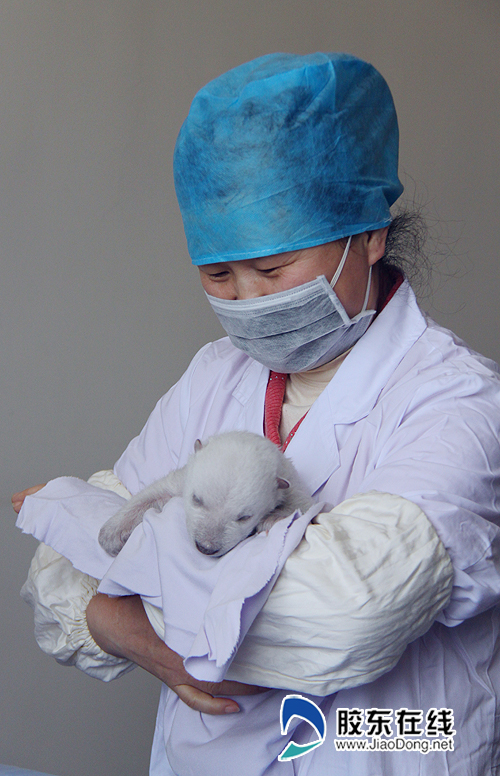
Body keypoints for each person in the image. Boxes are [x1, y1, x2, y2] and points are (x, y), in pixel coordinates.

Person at [13, 52, 500, 775]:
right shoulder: (214, 376)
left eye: (273, 270)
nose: (247, 299)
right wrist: (118, 603)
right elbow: (55, 575)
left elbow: (338, 622)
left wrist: (119, 608)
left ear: (367, 235)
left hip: (390, 744)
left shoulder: (459, 403)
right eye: (218, 274)